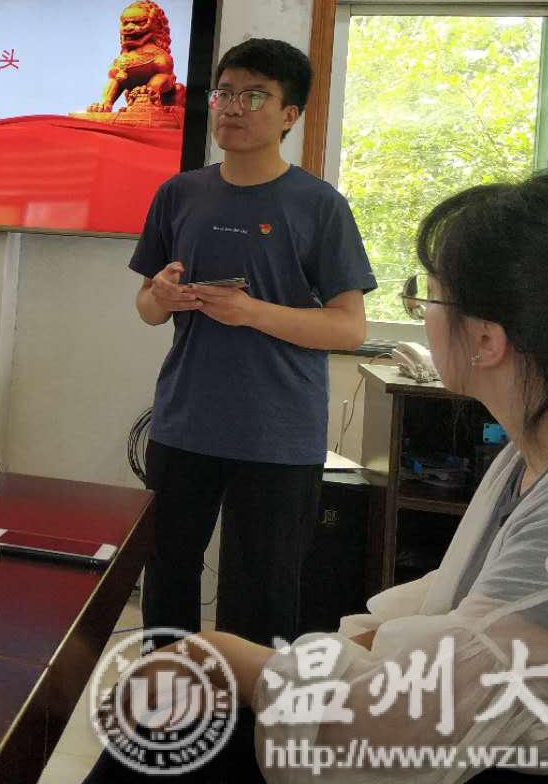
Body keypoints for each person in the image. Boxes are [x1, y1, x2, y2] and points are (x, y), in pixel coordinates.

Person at [87, 171, 548, 782]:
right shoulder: (532, 455)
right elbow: (454, 598)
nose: (420, 313)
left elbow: (413, 712)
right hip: (189, 430)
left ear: (485, 340)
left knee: (184, 715)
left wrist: (223, 657)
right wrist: (352, 641)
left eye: (427, 298)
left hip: (506, 754)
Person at [128, 38, 376, 652]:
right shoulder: (179, 193)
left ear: (290, 114)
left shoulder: (319, 205)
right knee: (166, 575)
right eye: (225, 93)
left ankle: (250, 707)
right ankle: (168, 691)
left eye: (255, 96)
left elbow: (349, 328)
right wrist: (162, 296)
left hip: (277, 434)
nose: (233, 107)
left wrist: (250, 313)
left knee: (261, 594)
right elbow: (147, 309)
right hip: (184, 423)